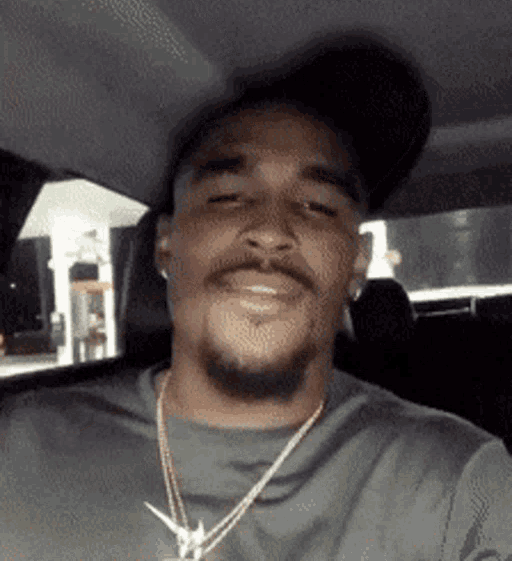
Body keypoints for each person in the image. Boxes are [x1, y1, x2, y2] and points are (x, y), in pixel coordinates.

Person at [1, 32, 511, 560]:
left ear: (357, 264)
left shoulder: (457, 488)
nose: (270, 231)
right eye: (227, 196)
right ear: (167, 245)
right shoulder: (17, 447)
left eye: (317, 206)